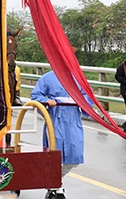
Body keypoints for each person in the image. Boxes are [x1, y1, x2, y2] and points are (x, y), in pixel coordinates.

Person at [31, 70, 93, 199]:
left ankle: (53, 181)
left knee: (74, 154)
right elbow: (36, 96)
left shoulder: (78, 77)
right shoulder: (47, 78)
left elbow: (88, 96)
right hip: (55, 120)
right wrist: (47, 101)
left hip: (72, 120)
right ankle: (56, 187)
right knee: (54, 155)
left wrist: (80, 100)